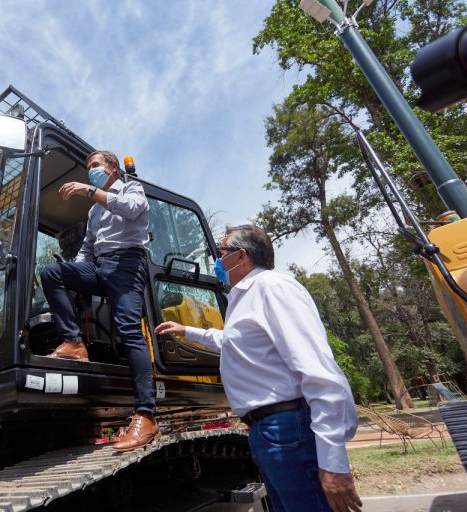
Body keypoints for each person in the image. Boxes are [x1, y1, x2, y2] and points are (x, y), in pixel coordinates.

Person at [155, 225, 362, 512]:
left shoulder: (272, 288)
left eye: (220, 254)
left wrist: (333, 461)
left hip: (287, 429)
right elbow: (234, 341)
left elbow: (317, 370)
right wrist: (186, 330)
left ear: (241, 256)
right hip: (269, 432)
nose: (216, 262)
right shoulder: (244, 297)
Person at [39, 150, 158, 452]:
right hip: (100, 267)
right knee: (52, 272)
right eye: (88, 168)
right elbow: (87, 249)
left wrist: (90, 191)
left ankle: (146, 415)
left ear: (112, 168)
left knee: (128, 328)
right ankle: (74, 343)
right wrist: (76, 274)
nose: (90, 171)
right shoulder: (94, 212)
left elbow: (132, 209)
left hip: (127, 264)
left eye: (95, 166)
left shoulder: (132, 188)